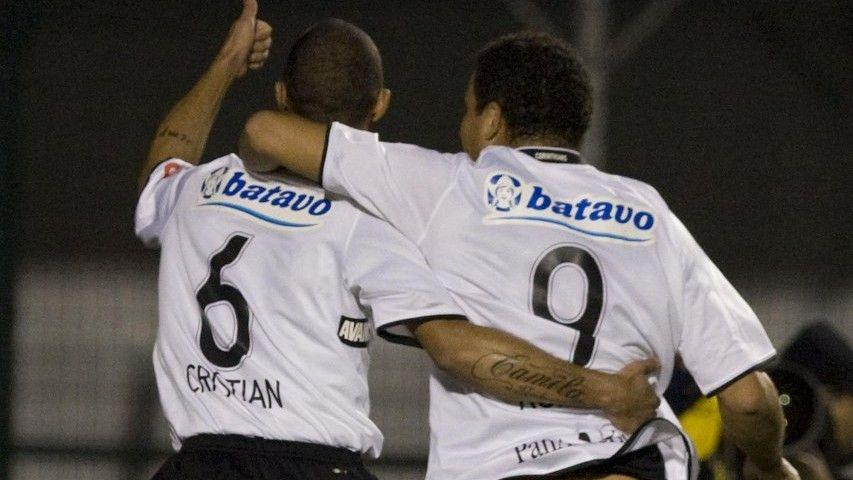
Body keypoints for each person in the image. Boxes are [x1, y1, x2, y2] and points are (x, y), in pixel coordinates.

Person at [239, 30, 801, 480]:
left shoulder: (442, 187)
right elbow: (749, 400)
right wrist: (770, 464)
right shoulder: (650, 213)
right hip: (627, 463)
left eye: (467, 111)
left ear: (491, 120)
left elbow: (265, 133)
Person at [135, 4, 660, 479]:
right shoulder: (368, 219)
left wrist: (226, 64)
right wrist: (604, 391)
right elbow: (454, 349)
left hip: (196, 467)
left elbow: (165, 158)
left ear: (280, 94)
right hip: (315, 468)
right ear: (380, 105)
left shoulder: (195, 191)